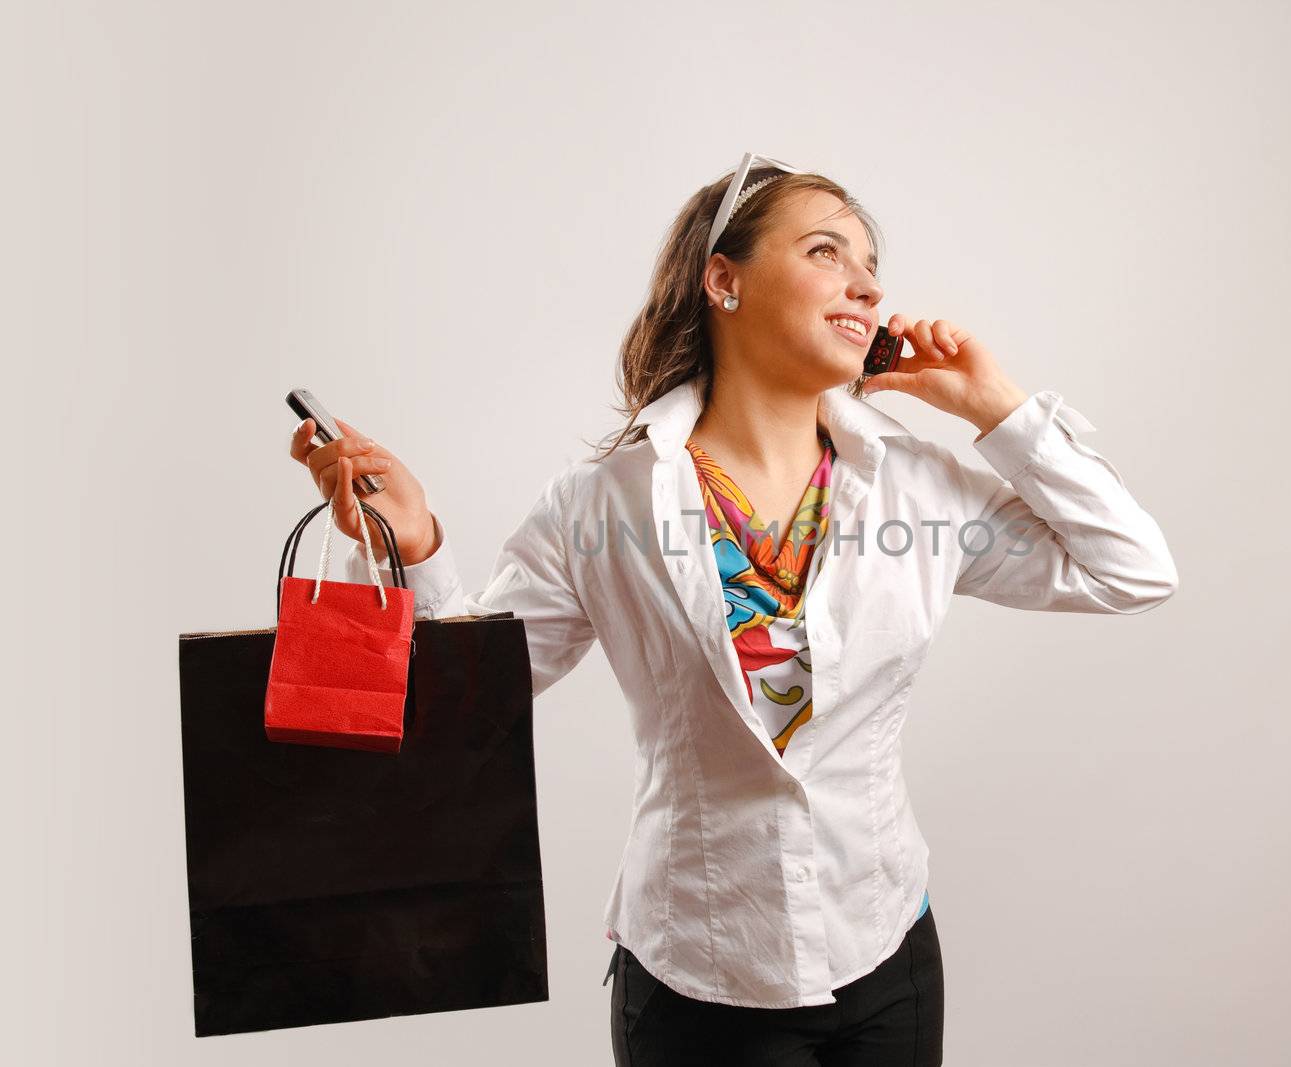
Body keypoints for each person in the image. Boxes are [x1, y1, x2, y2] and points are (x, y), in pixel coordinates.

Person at [286, 151, 1179, 1066]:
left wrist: (998, 407)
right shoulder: (605, 502)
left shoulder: (919, 487)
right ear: (725, 279)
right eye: (828, 251)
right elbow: (461, 701)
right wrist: (416, 542)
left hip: (886, 955)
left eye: (872, 268)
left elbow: (1134, 569)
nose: (865, 286)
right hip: (701, 979)